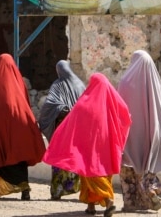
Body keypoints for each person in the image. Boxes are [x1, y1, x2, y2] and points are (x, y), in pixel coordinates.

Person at [43, 73, 131, 217]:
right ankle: (91, 206)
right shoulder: (113, 100)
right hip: (107, 143)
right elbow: (126, 116)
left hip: (89, 144)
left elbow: (72, 121)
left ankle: (108, 200)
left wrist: (62, 137)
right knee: (103, 169)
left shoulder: (85, 102)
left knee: (90, 171)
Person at [0, 54, 45, 201]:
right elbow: (26, 104)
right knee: (19, 158)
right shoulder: (19, 83)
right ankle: (24, 190)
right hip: (17, 129)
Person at [117, 50, 161, 212]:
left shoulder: (125, 82)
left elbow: (119, 108)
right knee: (148, 165)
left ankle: (130, 203)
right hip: (150, 132)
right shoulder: (153, 81)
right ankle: (150, 190)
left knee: (128, 168)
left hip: (129, 134)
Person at [37, 60, 86, 200]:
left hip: (62, 129)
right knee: (74, 155)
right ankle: (73, 187)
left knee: (59, 156)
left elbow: (49, 104)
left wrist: (63, 110)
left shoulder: (57, 85)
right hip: (76, 129)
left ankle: (57, 190)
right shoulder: (80, 84)